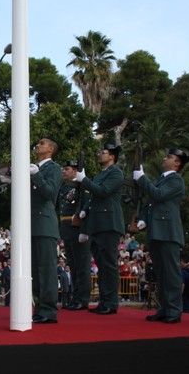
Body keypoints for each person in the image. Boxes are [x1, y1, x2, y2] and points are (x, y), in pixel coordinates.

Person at [134, 147, 189, 324]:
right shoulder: (161, 180)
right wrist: (143, 219)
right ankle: (164, 308)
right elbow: (150, 203)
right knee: (161, 273)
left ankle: (174, 310)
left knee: (171, 273)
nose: (164, 158)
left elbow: (158, 195)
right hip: (157, 230)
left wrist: (142, 178)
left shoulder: (176, 180)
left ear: (177, 163)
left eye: (169, 157)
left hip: (168, 232)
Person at [74, 143, 124, 315]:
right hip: (97, 224)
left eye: (104, 152)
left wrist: (84, 180)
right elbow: (94, 197)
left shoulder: (116, 173)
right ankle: (105, 301)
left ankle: (111, 303)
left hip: (109, 223)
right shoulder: (100, 175)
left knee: (109, 265)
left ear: (112, 156)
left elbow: (103, 192)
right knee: (102, 265)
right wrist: (85, 209)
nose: (100, 154)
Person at [29, 137, 62, 324]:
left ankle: (48, 310)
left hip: (44, 224)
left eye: (41, 143)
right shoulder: (35, 168)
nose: (37, 145)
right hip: (31, 224)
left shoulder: (53, 169)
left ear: (50, 149)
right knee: (34, 269)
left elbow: (50, 193)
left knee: (46, 269)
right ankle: (39, 307)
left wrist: (36, 175)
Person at [59, 160, 92, 311]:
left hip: (77, 228)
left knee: (82, 265)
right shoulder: (65, 187)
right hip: (66, 228)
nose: (63, 171)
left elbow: (86, 207)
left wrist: (84, 230)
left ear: (75, 171)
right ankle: (75, 297)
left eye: (67, 169)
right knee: (73, 265)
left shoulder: (82, 186)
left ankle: (82, 299)